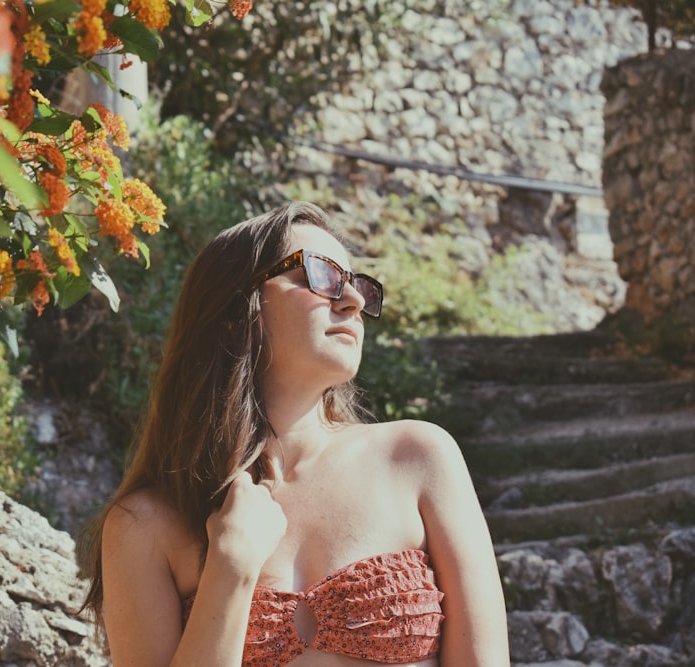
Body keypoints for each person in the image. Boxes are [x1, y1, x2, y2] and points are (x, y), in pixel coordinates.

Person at [81, 201, 510, 667]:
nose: (355, 301)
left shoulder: (419, 457)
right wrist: (230, 571)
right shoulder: (143, 524)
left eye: (358, 285)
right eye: (322, 276)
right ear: (236, 309)